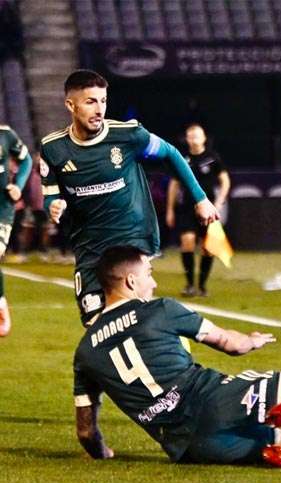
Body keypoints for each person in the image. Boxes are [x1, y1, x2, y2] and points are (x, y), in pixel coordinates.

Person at [73, 246, 281, 467]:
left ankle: (278, 451)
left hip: (190, 448)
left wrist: (102, 453)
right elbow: (230, 344)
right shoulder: (161, 310)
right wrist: (251, 341)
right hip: (215, 400)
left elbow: (86, 431)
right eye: (149, 274)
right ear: (131, 281)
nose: (153, 282)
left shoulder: (85, 352)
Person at [39, 70, 218, 326]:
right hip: (89, 245)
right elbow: (50, 192)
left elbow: (170, 153)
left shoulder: (127, 135)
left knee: (134, 318)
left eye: (103, 100)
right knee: (94, 324)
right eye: (91, 101)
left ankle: (166, 358)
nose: (99, 109)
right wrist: (52, 205)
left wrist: (201, 199)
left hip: (132, 237)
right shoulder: (53, 148)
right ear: (71, 104)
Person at [166, 124, 230, 297]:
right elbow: (174, 185)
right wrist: (170, 210)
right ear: (186, 139)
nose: (193, 139)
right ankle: (189, 284)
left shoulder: (212, 157)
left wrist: (219, 201)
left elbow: (225, 180)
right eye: (190, 136)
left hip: (207, 209)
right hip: (187, 208)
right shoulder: (182, 159)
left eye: (197, 136)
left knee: (208, 248)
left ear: (203, 138)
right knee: (187, 241)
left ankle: (202, 285)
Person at [0, 123, 32, 336]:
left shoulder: (5, 134)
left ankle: (1, 307)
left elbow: (26, 160)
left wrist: (18, 185)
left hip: (1, 210)